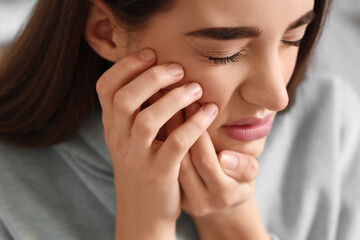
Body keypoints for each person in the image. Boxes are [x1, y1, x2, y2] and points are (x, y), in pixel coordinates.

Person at [0, 0, 359, 239]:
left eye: (292, 38)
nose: (276, 96)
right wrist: (146, 224)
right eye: (225, 53)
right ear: (107, 30)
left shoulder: (331, 118)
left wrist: (232, 223)